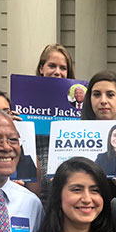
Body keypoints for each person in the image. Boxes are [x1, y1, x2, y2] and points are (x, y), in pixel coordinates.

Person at [34, 43, 76, 202]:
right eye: (52, 65)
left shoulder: (78, 105)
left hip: (65, 189)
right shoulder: (23, 102)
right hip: (34, 187)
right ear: (41, 68)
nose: (57, 72)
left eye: (63, 68)